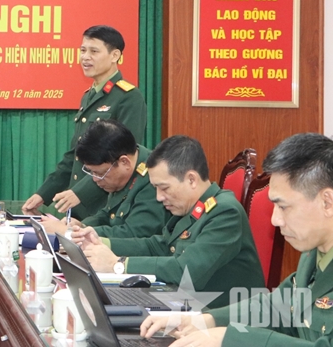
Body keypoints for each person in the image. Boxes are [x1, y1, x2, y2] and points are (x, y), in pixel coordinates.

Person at [141, 133, 333, 346]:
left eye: (283, 207)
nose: (275, 220)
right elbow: (277, 306)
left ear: (327, 202)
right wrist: (204, 320)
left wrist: (231, 338)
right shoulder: (314, 252)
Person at [74, 135, 264, 309]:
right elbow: (160, 245)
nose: (159, 197)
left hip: (223, 318)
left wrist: (118, 264)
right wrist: (102, 241)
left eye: (164, 188)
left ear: (191, 180)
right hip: (188, 304)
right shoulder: (191, 206)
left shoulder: (225, 212)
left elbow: (185, 271)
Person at [23, 25, 147, 220]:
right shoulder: (89, 96)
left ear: (114, 55)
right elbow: (75, 155)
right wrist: (43, 194)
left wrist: (81, 193)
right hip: (78, 207)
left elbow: (127, 158)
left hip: (104, 207)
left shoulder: (129, 97)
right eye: (83, 50)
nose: (85, 57)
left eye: (94, 51)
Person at [40, 119, 168, 239]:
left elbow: (134, 234)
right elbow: (108, 215)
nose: (95, 180)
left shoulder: (153, 179)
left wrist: (70, 233)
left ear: (124, 162)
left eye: (100, 173)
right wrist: (82, 226)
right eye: (91, 172)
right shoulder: (123, 169)